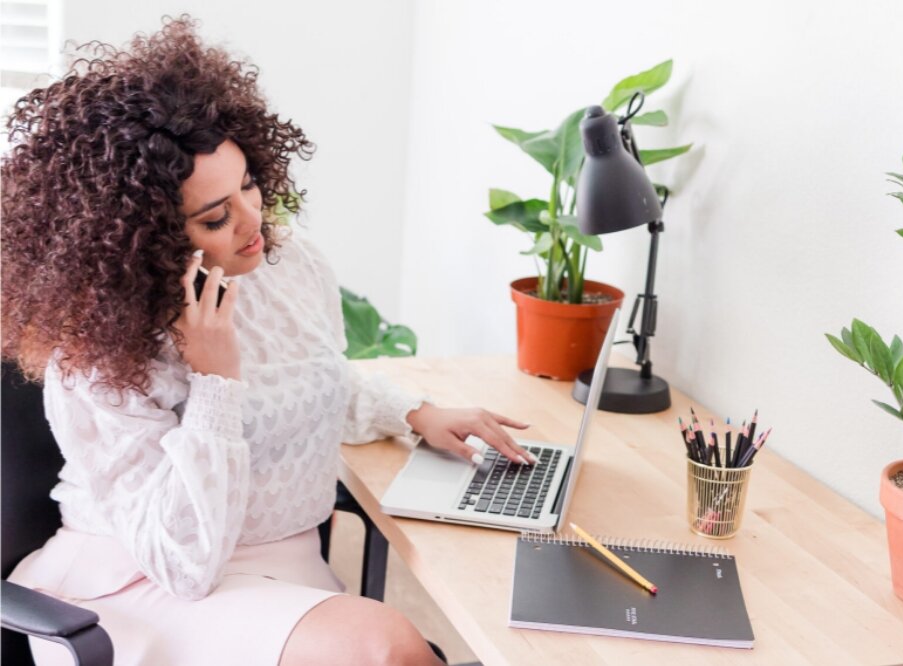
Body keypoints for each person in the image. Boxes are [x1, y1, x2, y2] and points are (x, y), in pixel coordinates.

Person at [1, 16, 536, 666]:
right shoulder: (96, 357)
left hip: (283, 567)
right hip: (141, 582)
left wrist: (418, 413)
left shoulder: (289, 267)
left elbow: (312, 377)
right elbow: (184, 563)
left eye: (249, 183)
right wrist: (214, 379)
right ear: (143, 238)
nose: (255, 221)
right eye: (216, 216)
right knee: (389, 646)